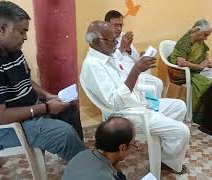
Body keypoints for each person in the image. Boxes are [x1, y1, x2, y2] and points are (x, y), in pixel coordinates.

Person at [80, 20, 190, 174]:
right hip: (126, 114)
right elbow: (114, 103)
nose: (116, 44)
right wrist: (136, 70)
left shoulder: (108, 55)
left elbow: (126, 83)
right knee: (182, 131)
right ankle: (169, 161)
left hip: (138, 102)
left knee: (179, 106)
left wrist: (139, 71)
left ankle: (164, 156)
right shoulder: (93, 65)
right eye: (113, 40)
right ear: (98, 41)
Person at [0, 1, 85, 160]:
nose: (25, 37)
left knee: (70, 110)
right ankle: (88, 170)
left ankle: (78, 163)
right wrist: (45, 108)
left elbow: (25, 81)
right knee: (64, 134)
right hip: (4, 129)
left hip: (29, 110)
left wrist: (47, 96)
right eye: (22, 32)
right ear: (2, 28)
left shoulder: (11, 49)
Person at [104, 10, 163, 98]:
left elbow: (135, 58)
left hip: (136, 72)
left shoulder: (124, 36)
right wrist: (122, 48)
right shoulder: (102, 40)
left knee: (158, 83)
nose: (119, 28)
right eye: (116, 25)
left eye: (121, 25)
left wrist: (131, 51)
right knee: (155, 84)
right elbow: (108, 62)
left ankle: (153, 108)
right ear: (107, 25)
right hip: (122, 76)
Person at [168, 19, 212, 118]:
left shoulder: (199, 41)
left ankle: (209, 114)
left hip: (194, 71)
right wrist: (199, 66)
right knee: (208, 84)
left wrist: (208, 62)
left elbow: (205, 52)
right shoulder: (185, 41)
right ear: (197, 30)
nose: (206, 38)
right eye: (205, 35)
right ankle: (197, 114)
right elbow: (180, 62)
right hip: (180, 73)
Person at [62, 117, 135, 180]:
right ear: (122, 147)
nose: (135, 145)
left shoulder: (83, 154)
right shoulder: (104, 177)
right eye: (133, 143)